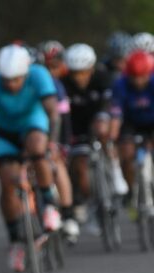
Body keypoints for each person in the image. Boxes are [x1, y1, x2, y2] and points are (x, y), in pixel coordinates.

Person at [0, 44, 62, 272]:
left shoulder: (39, 75)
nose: (10, 84)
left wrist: (52, 143)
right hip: (4, 132)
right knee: (8, 180)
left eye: (16, 79)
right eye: (6, 80)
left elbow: (53, 113)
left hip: (32, 124)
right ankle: (16, 238)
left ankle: (49, 204)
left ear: (25, 73)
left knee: (37, 149)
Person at [62, 43, 126, 221]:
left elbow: (111, 104)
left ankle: (114, 170)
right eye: (74, 72)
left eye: (83, 72)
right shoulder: (63, 83)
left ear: (91, 68)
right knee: (79, 166)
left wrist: (105, 119)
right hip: (76, 126)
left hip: (98, 117)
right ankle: (88, 200)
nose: (79, 77)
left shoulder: (104, 78)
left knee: (103, 129)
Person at [38, 40, 80, 243]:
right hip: (33, 128)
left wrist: (62, 144)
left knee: (57, 163)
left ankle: (68, 213)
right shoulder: (33, 80)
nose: (51, 71)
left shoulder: (56, 84)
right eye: (48, 66)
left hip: (54, 129)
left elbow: (63, 118)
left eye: (55, 66)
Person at [110, 50, 154, 200]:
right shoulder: (120, 84)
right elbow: (116, 114)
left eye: (143, 77)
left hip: (151, 122)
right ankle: (130, 189)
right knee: (127, 153)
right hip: (130, 123)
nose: (139, 81)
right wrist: (113, 138)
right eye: (134, 77)